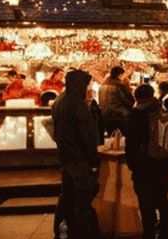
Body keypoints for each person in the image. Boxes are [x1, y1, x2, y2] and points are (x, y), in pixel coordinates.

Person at [52, 69, 100, 239]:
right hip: (79, 159)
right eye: (87, 84)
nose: (88, 87)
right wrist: (94, 162)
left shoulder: (60, 100)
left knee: (67, 197)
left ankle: (60, 230)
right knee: (83, 200)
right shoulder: (78, 104)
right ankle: (81, 233)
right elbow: (87, 136)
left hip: (66, 157)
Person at [126, 84, 168, 239]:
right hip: (161, 161)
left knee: (145, 199)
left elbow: (131, 142)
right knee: (162, 197)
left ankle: (149, 232)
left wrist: (131, 164)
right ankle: (165, 230)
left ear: (137, 97)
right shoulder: (161, 109)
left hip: (143, 163)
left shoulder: (136, 113)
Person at [99, 66, 135, 136]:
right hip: (119, 116)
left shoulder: (102, 86)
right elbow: (128, 101)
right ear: (120, 75)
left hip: (105, 117)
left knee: (110, 138)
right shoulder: (119, 85)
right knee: (122, 138)